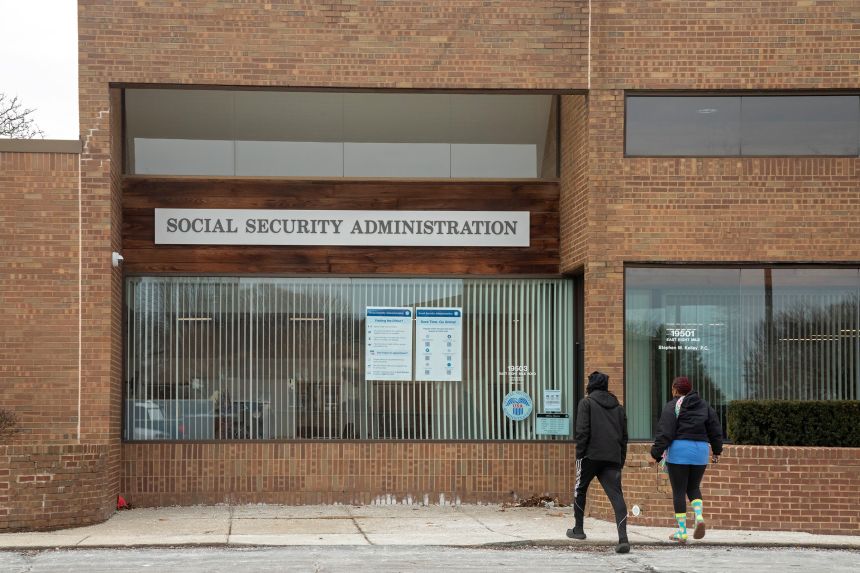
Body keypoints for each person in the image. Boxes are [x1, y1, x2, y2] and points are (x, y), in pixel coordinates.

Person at [650, 376, 723, 543]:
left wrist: (655, 453)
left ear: (675, 390)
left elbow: (665, 432)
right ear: (690, 390)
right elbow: (715, 429)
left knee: (679, 491)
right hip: (701, 452)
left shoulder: (672, 406)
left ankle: (682, 531)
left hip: (679, 450)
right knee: (693, 487)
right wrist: (717, 451)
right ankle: (699, 517)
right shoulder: (705, 406)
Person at [568, 371, 630, 554]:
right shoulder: (619, 408)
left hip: (589, 456)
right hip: (612, 458)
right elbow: (624, 438)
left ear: (590, 385)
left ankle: (578, 530)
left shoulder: (586, 403)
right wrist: (620, 461)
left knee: (580, 489)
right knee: (617, 496)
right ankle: (623, 538)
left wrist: (579, 455)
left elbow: (582, 432)